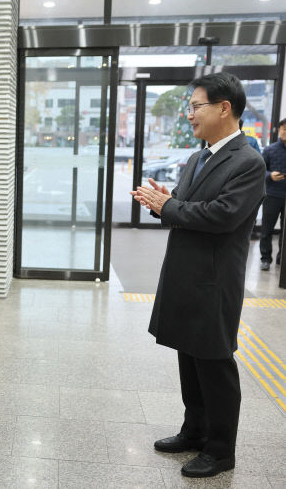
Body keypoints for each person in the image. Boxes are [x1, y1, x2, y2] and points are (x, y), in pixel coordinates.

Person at [131, 72, 265, 478]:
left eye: (195, 106)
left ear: (224, 108)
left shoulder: (248, 161)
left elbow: (222, 216)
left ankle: (221, 449)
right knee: (189, 355)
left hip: (213, 279)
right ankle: (195, 430)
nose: (189, 115)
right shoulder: (198, 156)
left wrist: (169, 207)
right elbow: (185, 206)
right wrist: (163, 202)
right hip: (185, 273)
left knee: (214, 363)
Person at [258, 118, 286, 271]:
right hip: (272, 195)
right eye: (283, 129)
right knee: (266, 229)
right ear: (279, 130)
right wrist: (270, 175)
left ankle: (282, 258)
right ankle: (265, 259)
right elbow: (260, 171)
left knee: (285, 231)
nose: (284, 132)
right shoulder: (269, 150)